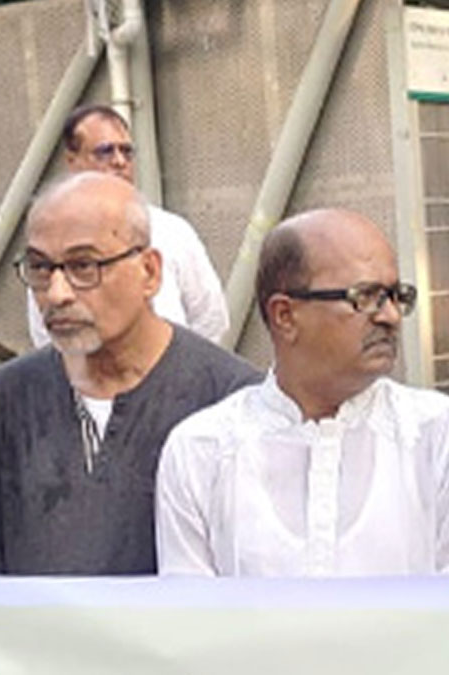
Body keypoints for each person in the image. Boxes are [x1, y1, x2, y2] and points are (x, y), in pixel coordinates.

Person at [0, 173, 259, 575]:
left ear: (150, 272)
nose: (56, 294)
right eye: (40, 268)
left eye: (84, 266)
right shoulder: (10, 397)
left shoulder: (230, 401)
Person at [156, 209, 449, 576]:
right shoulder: (201, 450)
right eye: (365, 297)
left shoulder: (434, 435)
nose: (390, 316)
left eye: (395, 296)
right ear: (284, 315)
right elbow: (189, 606)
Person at [26, 104, 229, 347]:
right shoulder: (52, 243)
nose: (119, 161)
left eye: (126, 151)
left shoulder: (172, 232)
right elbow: (46, 332)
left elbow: (210, 318)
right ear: (73, 161)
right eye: (104, 152)